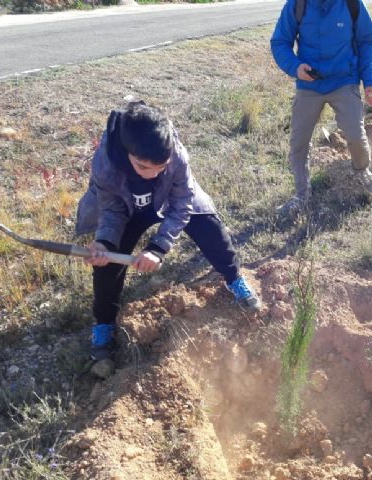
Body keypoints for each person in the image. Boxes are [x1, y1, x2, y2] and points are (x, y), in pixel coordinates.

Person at [75, 102, 261, 362]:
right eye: (143, 167)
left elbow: (183, 202)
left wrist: (158, 247)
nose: (152, 175)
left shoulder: (177, 155)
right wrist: (104, 242)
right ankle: (104, 323)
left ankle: (234, 279)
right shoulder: (106, 163)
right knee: (107, 265)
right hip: (127, 208)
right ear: (128, 152)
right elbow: (112, 209)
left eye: (160, 167)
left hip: (171, 199)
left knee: (212, 231)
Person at [270, 0, 372, 217]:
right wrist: (295, 67)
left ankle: (361, 170)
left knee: (355, 135)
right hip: (309, 83)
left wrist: (369, 81)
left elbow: (367, 41)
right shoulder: (297, 4)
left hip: (344, 80)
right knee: (299, 142)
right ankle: (301, 195)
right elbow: (280, 42)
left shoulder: (351, 4)